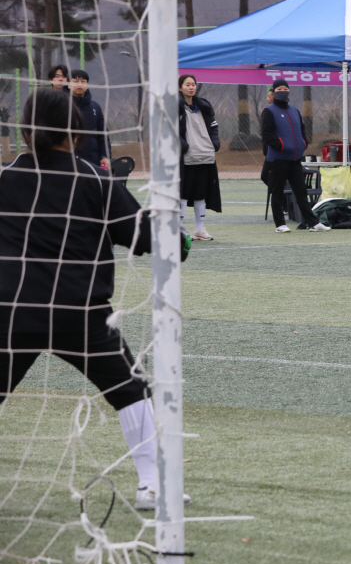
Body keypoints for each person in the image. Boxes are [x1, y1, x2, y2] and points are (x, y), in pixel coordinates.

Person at [0, 87, 191, 511]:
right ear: (77, 129)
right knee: (129, 388)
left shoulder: (6, 177)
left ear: (26, 130)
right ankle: (153, 484)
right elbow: (145, 237)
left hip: (11, 310)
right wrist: (178, 239)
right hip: (78, 312)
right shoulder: (93, 178)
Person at [261, 78, 330, 232]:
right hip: (277, 160)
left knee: (301, 192)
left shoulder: (295, 110)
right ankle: (280, 224)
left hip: (295, 159)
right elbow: (266, 134)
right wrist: (282, 146)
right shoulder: (269, 111)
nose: (282, 92)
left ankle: (313, 223)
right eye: (279, 89)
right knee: (277, 193)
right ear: (273, 92)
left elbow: (302, 130)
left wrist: (303, 143)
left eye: (285, 88)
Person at [178, 75, 222, 240]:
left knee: (201, 194)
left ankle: (199, 230)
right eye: (187, 84)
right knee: (183, 194)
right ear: (180, 87)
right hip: (186, 159)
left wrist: (215, 143)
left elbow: (213, 126)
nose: (191, 87)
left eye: (193, 84)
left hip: (205, 157)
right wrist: (183, 146)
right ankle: (179, 230)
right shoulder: (175, 106)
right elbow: (171, 128)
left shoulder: (204, 105)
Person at [69, 69, 110, 170]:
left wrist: (104, 156)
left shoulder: (95, 107)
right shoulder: (62, 104)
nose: (80, 85)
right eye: (76, 81)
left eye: (83, 82)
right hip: (69, 160)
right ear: (68, 84)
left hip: (92, 160)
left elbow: (103, 134)